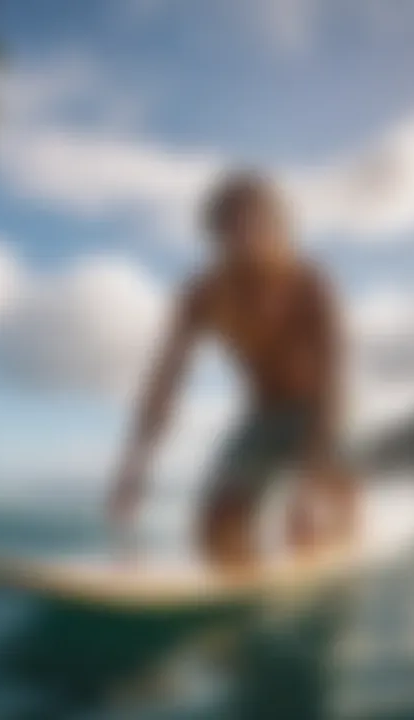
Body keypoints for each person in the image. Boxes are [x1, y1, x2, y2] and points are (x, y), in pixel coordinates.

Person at [109, 171, 357, 569]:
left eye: (260, 226)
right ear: (216, 239)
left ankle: (342, 529)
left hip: (323, 413)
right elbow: (165, 382)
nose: (247, 241)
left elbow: (335, 380)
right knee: (214, 529)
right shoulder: (202, 296)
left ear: (282, 228)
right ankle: (247, 584)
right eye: (232, 231)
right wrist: (135, 466)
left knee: (316, 523)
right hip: (264, 416)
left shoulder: (311, 283)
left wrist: (313, 482)